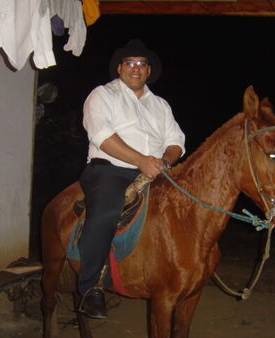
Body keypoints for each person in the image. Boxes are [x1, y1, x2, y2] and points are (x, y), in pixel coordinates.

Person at [77, 39, 186, 319]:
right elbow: (101, 136)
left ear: (149, 71)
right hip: (110, 170)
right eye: (130, 63)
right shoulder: (102, 95)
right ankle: (90, 287)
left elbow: (176, 142)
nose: (135, 69)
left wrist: (164, 161)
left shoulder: (160, 105)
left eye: (141, 64)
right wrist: (142, 161)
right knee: (105, 213)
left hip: (157, 170)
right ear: (119, 68)